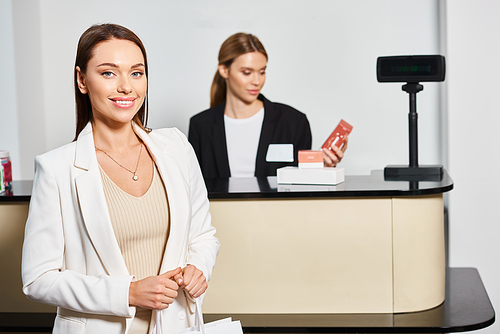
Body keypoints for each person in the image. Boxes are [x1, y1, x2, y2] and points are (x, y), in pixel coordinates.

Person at [21, 24, 219, 334]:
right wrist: (127, 293)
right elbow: (38, 279)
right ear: (82, 80)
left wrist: (198, 268)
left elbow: (204, 236)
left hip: (175, 325)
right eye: (109, 73)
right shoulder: (56, 169)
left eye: (136, 73)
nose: (126, 87)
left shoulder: (177, 147)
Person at [188, 32, 347, 179]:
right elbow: (194, 189)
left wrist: (323, 167)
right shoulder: (201, 125)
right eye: (247, 72)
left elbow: (301, 185)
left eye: (262, 71)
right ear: (224, 70)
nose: (257, 81)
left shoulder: (293, 121)